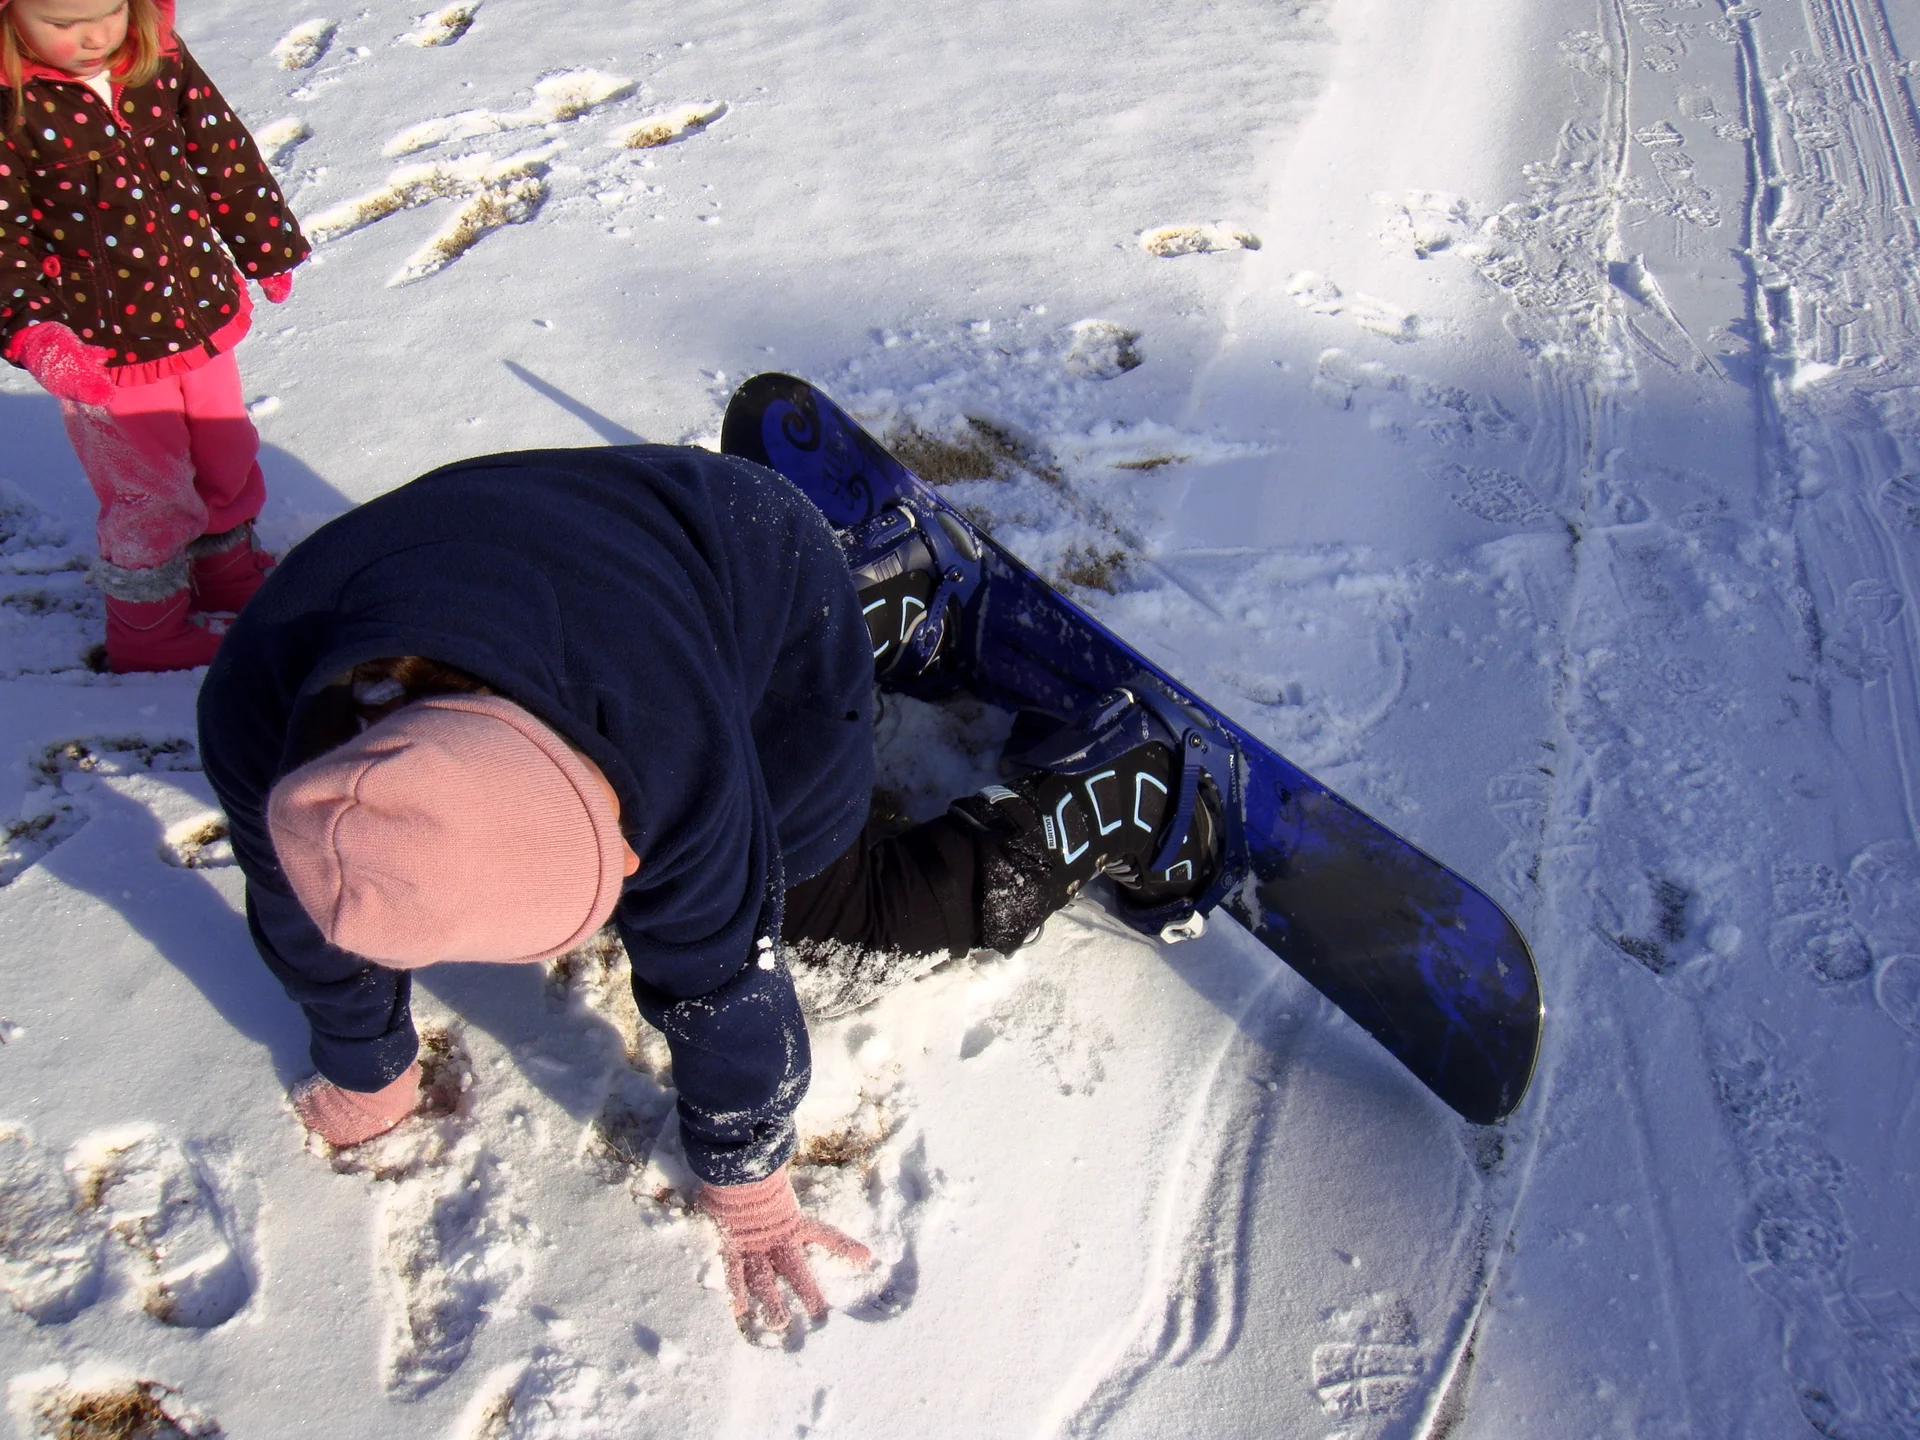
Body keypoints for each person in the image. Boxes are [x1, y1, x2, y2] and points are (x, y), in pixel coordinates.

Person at [197, 444, 1218, 1333]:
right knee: (706, 779)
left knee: (833, 918)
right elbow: (306, 910)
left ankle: (1123, 789)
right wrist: (366, 1062)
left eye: (618, 860)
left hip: (750, 560)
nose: (630, 882)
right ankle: (892, 586)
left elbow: (724, 982)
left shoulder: (665, 744)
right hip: (603, 541)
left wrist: (748, 1179)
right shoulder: (260, 707)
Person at [1, 0, 308, 671]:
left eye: (109, 10)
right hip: (100, 348)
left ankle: (226, 572)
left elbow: (221, 149)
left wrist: (266, 243)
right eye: (61, 23)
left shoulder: (156, 56)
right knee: (149, 491)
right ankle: (147, 630)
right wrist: (36, 332)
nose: (92, 35)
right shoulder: (12, 104)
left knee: (225, 450)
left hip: (196, 308)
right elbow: (3, 237)